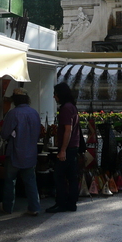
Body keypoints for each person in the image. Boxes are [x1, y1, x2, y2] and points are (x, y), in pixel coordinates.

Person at [0, 88, 42, 216]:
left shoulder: (13, 114)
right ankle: (34, 207)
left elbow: (5, 134)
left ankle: (7, 207)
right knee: (30, 182)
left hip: (15, 153)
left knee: (10, 182)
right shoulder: (34, 113)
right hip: (30, 153)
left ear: (15, 100)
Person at [47, 82, 81, 213]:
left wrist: (62, 150)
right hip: (73, 146)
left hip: (68, 148)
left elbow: (68, 129)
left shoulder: (66, 108)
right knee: (72, 176)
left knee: (59, 176)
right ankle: (71, 204)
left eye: (55, 94)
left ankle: (61, 203)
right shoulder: (72, 106)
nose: (54, 97)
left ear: (60, 95)